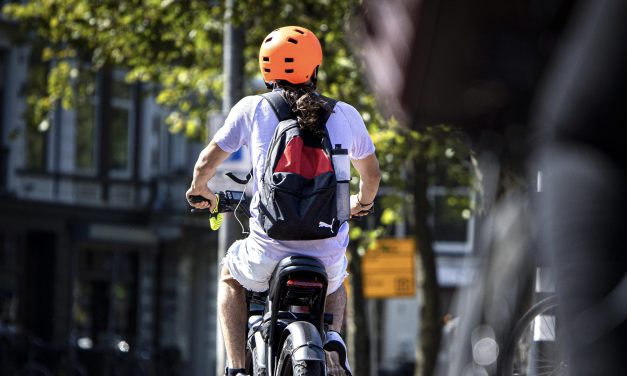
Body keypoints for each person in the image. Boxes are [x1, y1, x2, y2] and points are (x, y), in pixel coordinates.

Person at [186, 26, 381, 376]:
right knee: (336, 280)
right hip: (326, 246)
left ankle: (237, 369)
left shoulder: (252, 108)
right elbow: (372, 175)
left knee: (230, 274)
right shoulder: (345, 114)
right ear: (314, 69)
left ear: (266, 70)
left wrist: (200, 189)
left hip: (268, 248)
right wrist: (360, 204)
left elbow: (206, 163)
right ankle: (333, 342)